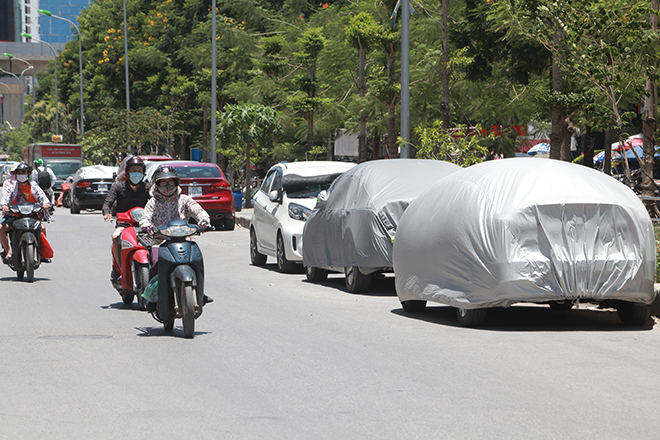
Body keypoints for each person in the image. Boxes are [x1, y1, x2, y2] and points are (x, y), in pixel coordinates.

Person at [139, 165, 213, 310]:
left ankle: (199, 292)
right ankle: (153, 297)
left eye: (171, 182)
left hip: (185, 240)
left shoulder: (184, 200)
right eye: (163, 183)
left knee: (197, 260)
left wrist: (204, 222)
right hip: (160, 241)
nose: (168, 186)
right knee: (155, 263)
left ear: (177, 183)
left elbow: (198, 211)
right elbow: (144, 218)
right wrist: (147, 226)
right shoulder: (153, 202)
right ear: (157, 185)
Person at [102, 156, 149, 283]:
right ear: (128, 172)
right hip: (124, 225)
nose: (137, 173)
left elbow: (157, 201)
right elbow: (107, 203)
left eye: (139, 170)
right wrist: (107, 213)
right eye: (134, 170)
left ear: (143, 172)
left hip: (145, 224)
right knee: (116, 237)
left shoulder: (148, 188)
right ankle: (119, 269)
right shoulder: (118, 187)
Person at [0, 162, 51, 263]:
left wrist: (46, 204)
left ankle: (42, 253)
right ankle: (8, 252)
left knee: (43, 228)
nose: (20, 174)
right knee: (1, 228)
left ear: (28, 174)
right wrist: (4, 205)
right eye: (18, 172)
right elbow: (5, 197)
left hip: (32, 215)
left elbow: (42, 197)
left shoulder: (34, 186)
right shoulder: (12, 186)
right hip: (14, 216)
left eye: (23, 172)